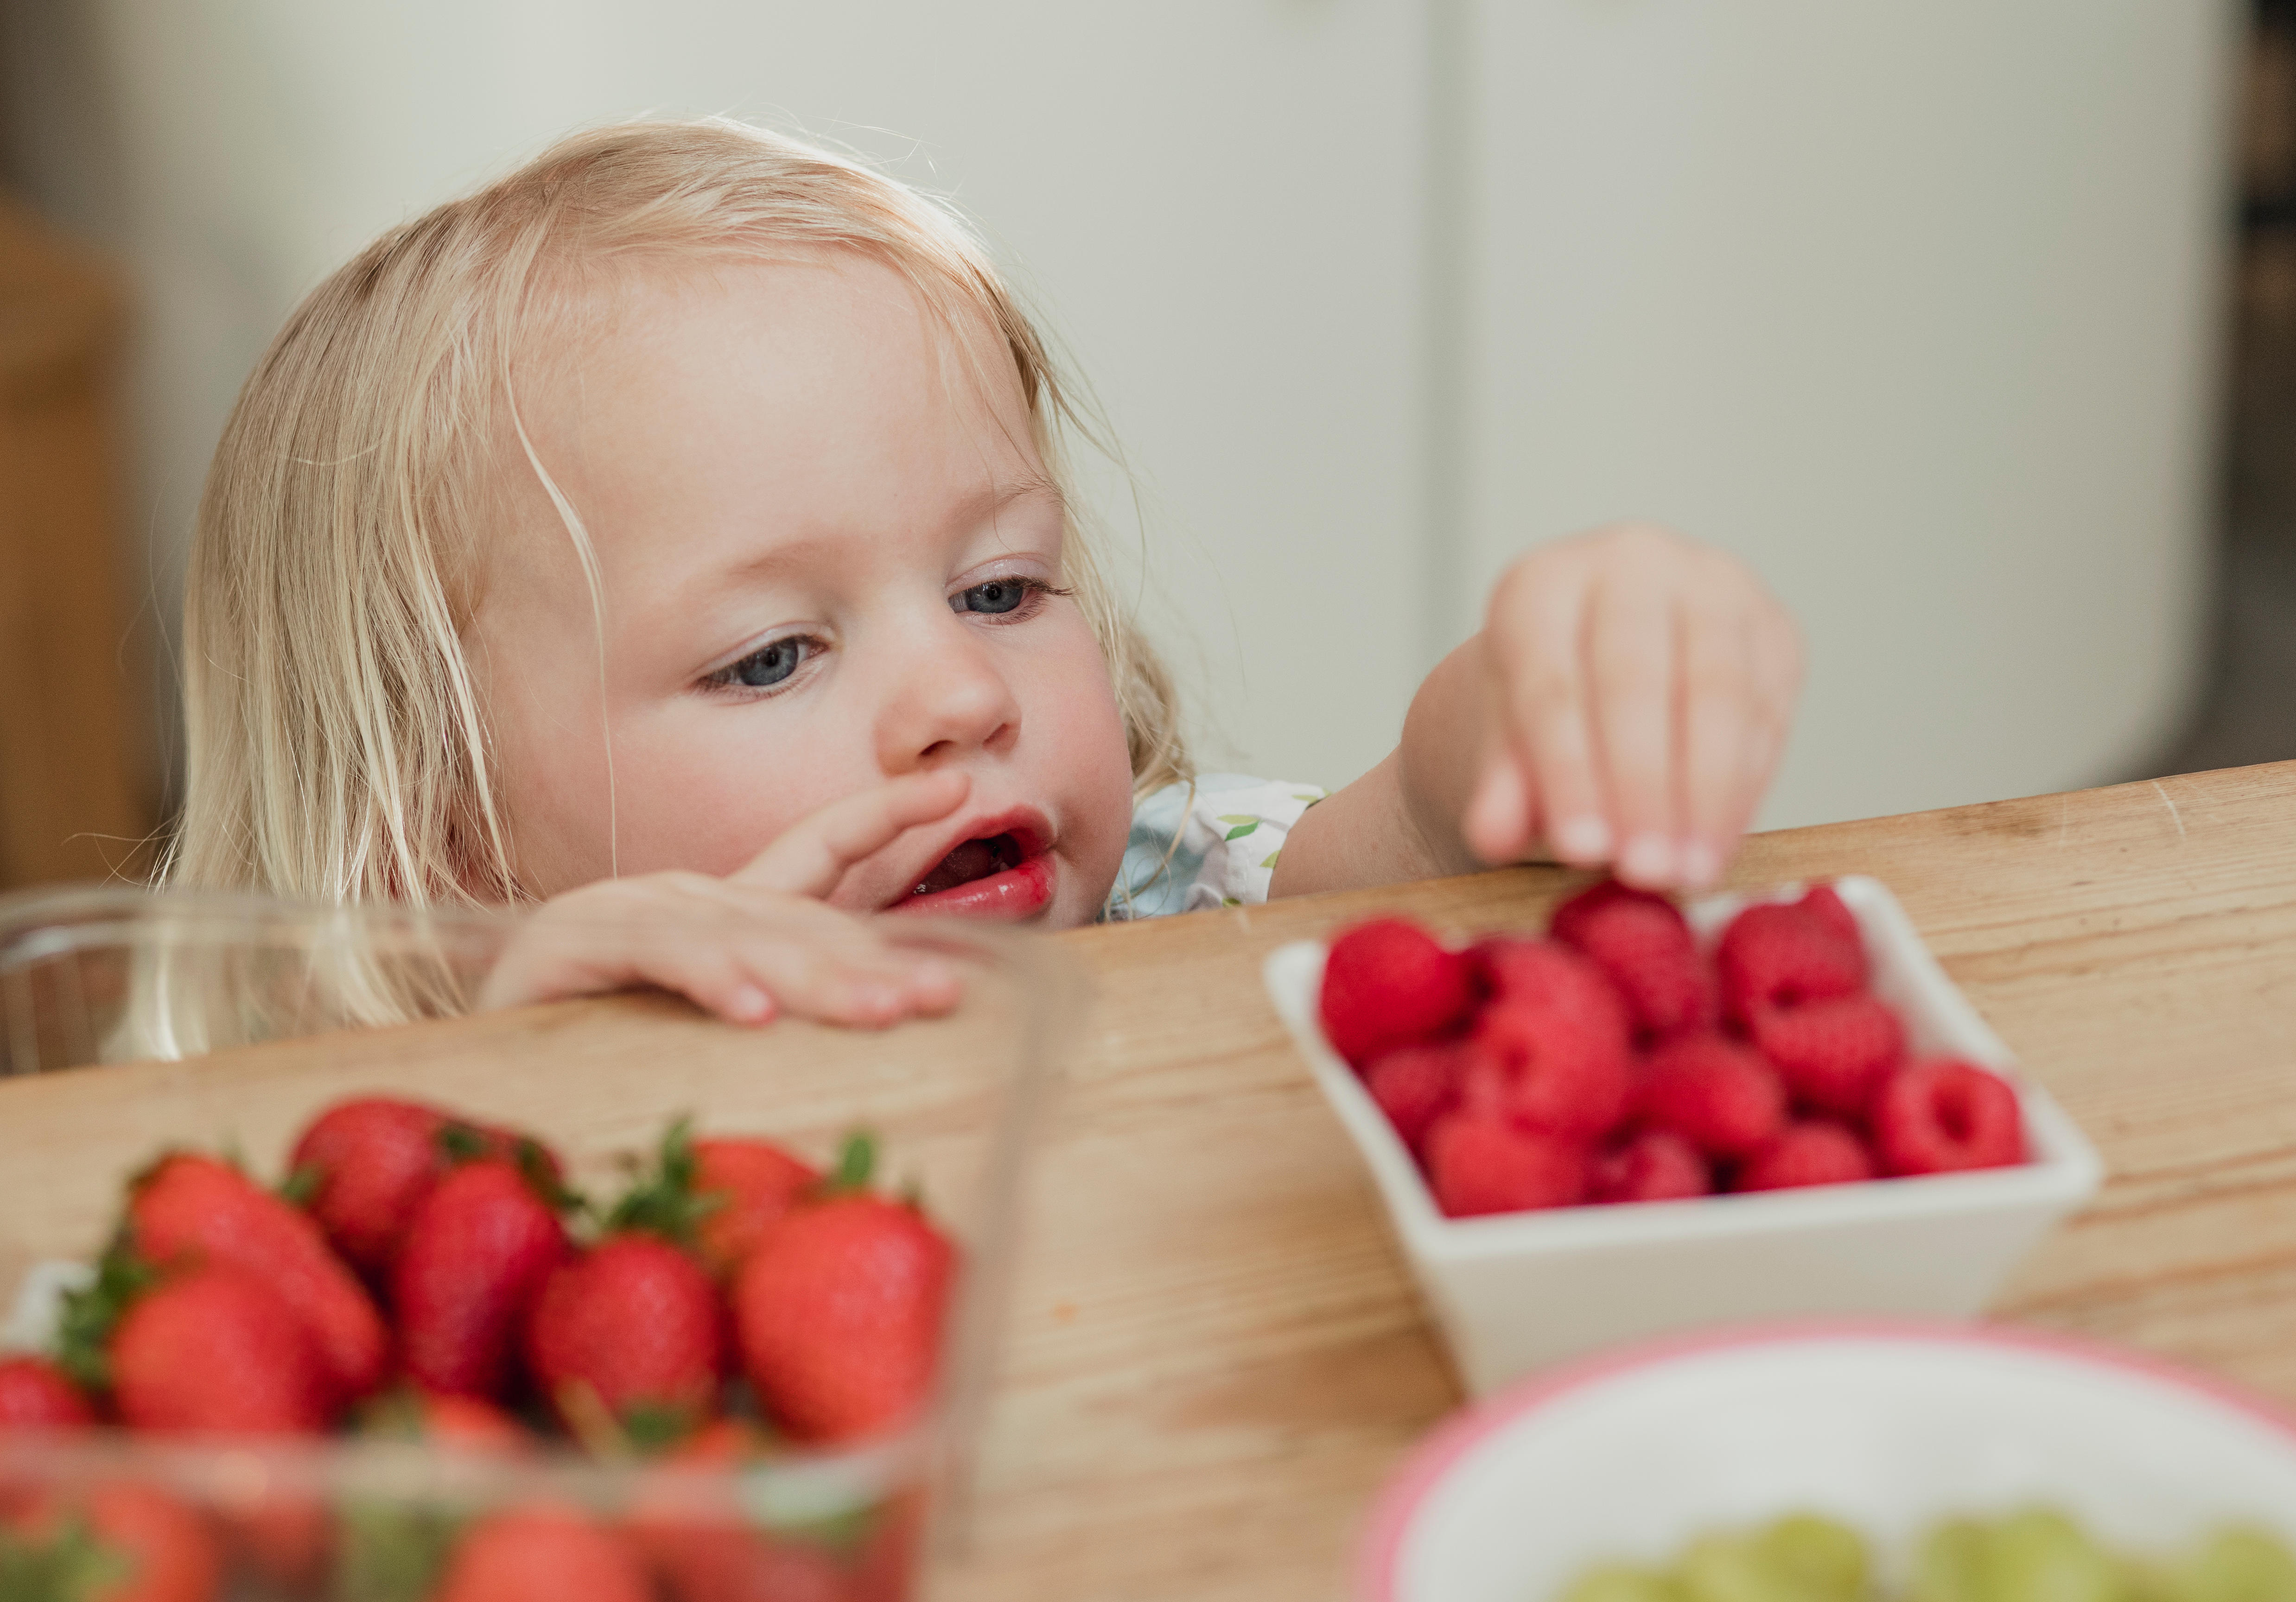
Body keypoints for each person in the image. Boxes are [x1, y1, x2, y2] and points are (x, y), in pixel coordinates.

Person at [167, 120, 1801, 1029]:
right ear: (436, 840)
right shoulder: (391, 1100)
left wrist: (1531, 698)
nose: (961, 696)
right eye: (769, 658)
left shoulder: (1160, 886)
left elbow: (1414, 848)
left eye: (1002, 591)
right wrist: (545, 1074)